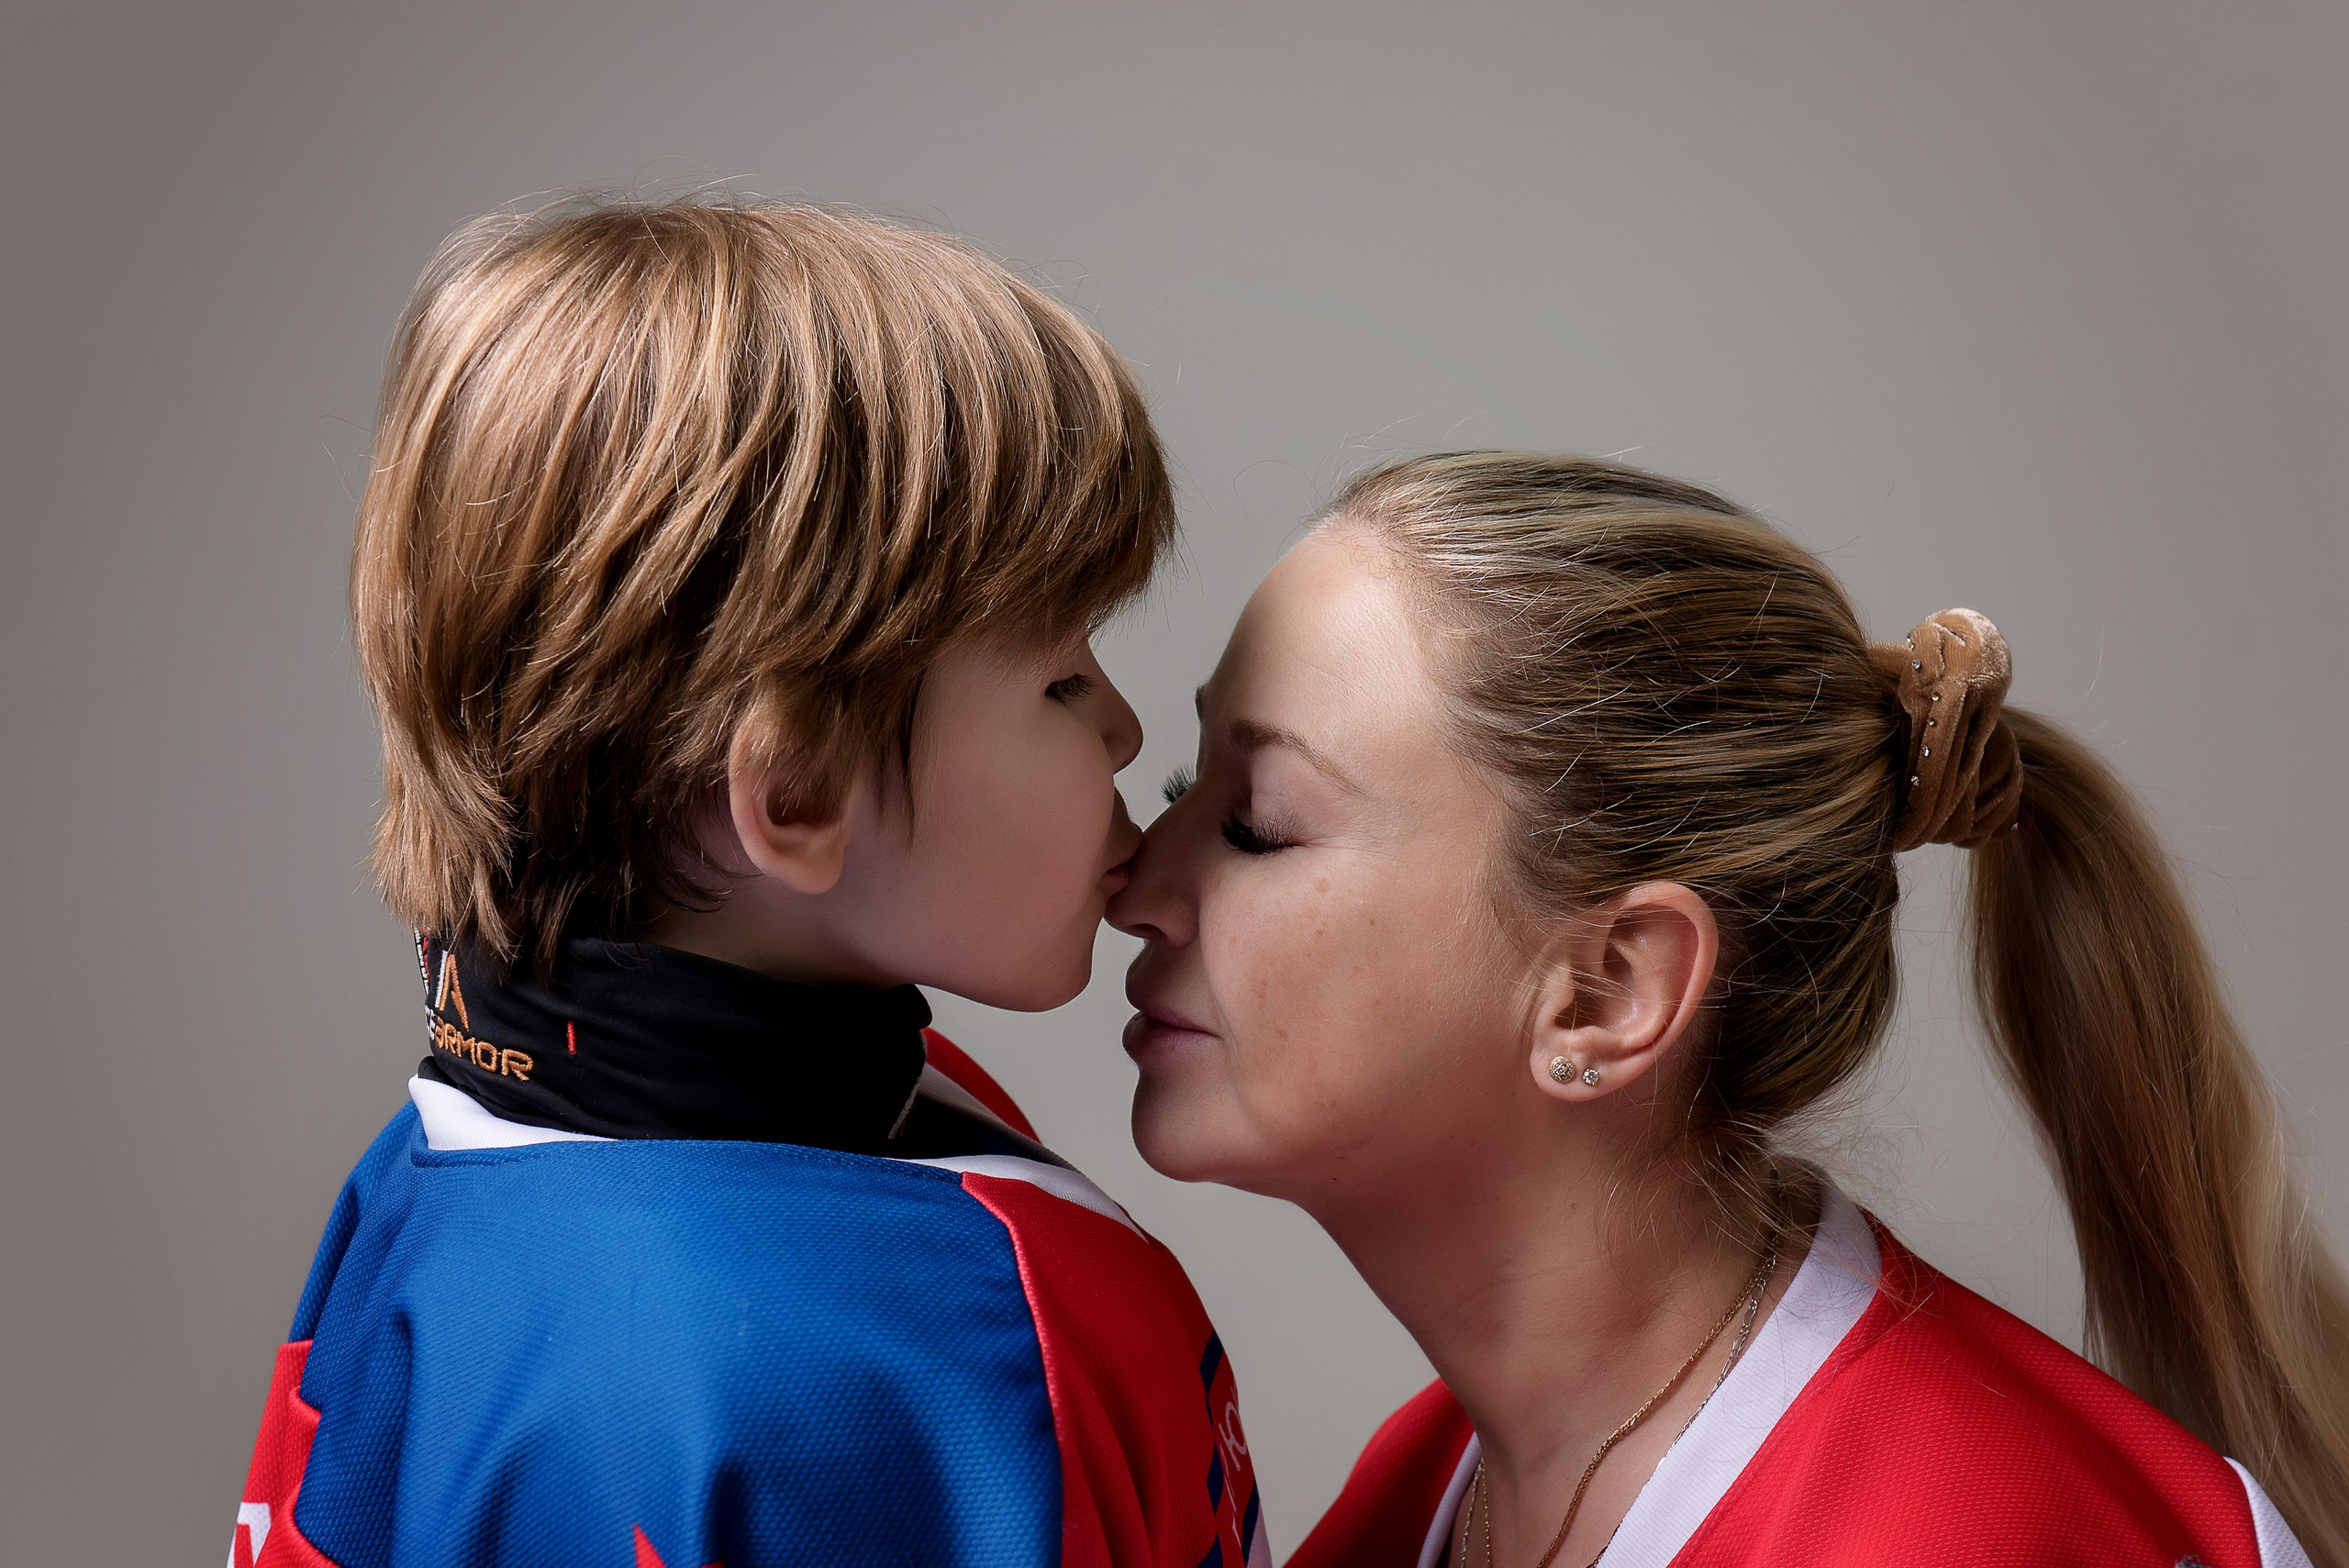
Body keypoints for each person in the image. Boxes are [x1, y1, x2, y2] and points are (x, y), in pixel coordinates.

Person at [228, 199, 1266, 1568]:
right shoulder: (882, 1379)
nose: (1126, 731)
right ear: (793, 794)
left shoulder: (445, 1166)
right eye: (1062, 676)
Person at [1108, 453, 2345, 1568]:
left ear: (1607, 990)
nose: (1137, 885)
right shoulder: (1437, 1483)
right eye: (1179, 777)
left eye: (1255, 822)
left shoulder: (1993, 1539)